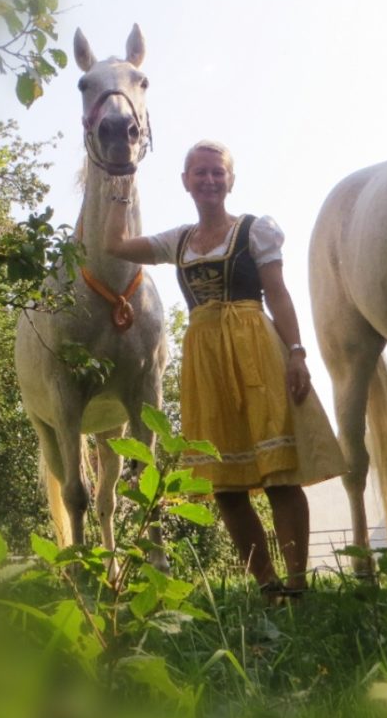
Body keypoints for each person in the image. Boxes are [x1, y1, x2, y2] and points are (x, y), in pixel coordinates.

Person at [103, 139, 345, 599]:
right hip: (205, 357)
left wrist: (296, 351)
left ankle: (297, 584)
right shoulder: (177, 241)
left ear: (230, 180)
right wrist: (119, 184)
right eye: (200, 173)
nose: (210, 180)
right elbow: (113, 245)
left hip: (255, 346)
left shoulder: (255, 231)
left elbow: (278, 294)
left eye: (218, 172)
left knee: (279, 473)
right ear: (186, 182)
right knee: (225, 484)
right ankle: (267, 585)